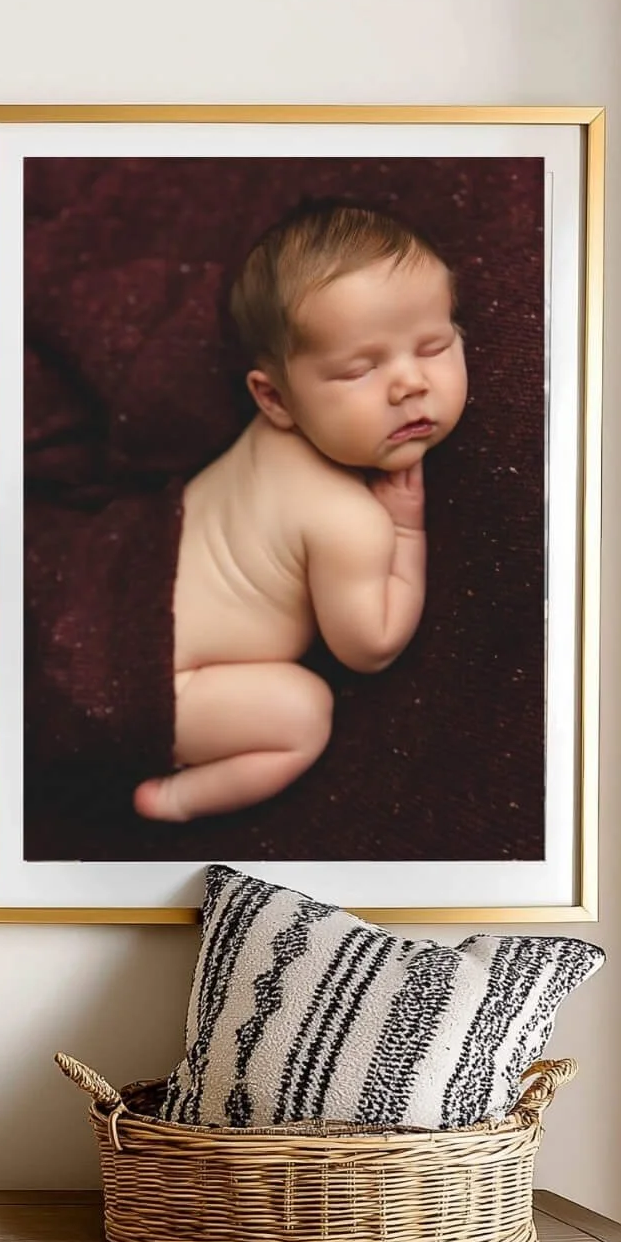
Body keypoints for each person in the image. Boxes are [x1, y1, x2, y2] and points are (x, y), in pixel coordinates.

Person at [134, 201, 467, 823]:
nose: (409, 384)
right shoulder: (348, 521)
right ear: (274, 397)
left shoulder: (267, 441)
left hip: (132, 579)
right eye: (360, 369)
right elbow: (371, 645)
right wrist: (403, 528)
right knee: (303, 713)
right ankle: (177, 799)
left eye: (434, 345)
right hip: (153, 676)